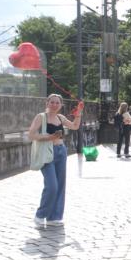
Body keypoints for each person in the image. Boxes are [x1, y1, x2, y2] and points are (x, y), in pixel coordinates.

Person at [29, 94, 83, 227]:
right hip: (47, 153)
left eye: (57, 103)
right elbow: (31, 134)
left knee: (60, 185)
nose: (54, 105)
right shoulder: (41, 117)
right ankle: (40, 215)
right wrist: (49, 137)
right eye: (52, 102)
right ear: (47, 103)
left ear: (61, 105)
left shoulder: (60, 117)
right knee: (52, 186)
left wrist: (78, 113)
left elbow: (75, 126)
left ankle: (54, 217)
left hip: (61, 152)